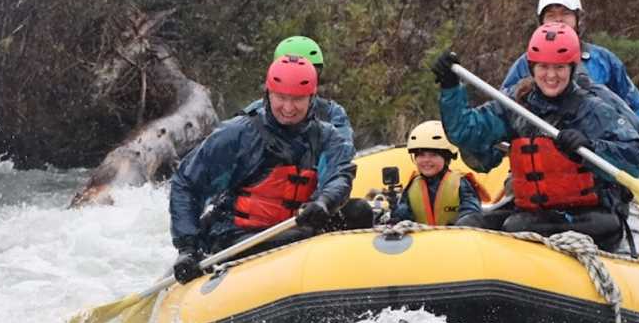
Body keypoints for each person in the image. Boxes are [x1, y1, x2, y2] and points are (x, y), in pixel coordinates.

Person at [432, 23, 639, 250]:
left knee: (517, 226)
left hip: (592, 214)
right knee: (471, 223)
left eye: (559, 68)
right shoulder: (517, 105)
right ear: (532, 67)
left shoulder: (594, 108)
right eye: (543, 67)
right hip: (531, 210)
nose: (551, 75)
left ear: (571, 67)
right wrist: (451, 89)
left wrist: (591, 148)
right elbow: (465, 132)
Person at [169, 55, 356, 284]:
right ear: (267, 95)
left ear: (312, 99)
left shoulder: (327, 137)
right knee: (299, 238)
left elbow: (339, 175)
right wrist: (187, 246)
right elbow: (186, 184)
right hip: (239, 236)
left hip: (298, 228)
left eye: (297, 99)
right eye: (281, 97)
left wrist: (324, 202)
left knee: (360, 212)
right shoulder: (237, 135)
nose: (288, 108)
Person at [501, 0, 639, 129]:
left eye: (565, 14)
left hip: (597, 144)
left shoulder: (604, 60)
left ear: (578, 19)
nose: (558, 20)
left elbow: (636, 105)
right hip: (544, 145)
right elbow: (504, 108)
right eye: (551, 15)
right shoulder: (525, 63)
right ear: (541, 22)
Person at [240, 36, 353, 143]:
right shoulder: (251, 116)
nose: (288, 108)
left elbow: (342, 151)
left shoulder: (331, 113)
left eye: (312, 72)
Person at [390, 120, 486, 225]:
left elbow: (471, 211)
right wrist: (396, 214)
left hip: (453, 238)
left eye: (433, 155)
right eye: (421, 155)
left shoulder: (461, 184)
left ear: (447, 158)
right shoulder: (413, 185)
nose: (426, 160)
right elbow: (404, 212)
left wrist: (464, 221)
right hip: (421, 239)